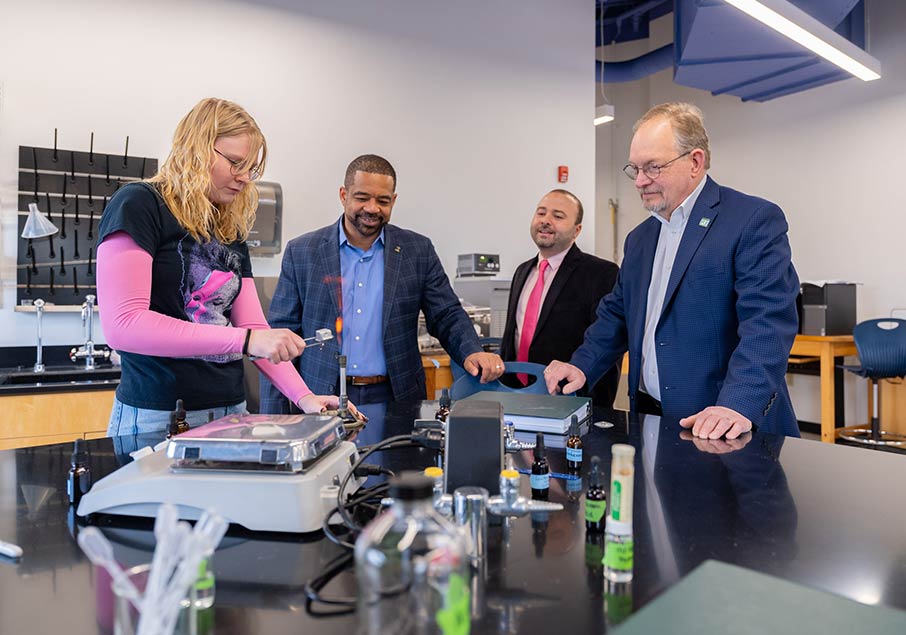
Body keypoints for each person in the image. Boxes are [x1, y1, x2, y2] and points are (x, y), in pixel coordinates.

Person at [97, 98, 356, 436]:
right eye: (235, 163)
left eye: (251, 169)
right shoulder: (140, 204)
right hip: (158, 417)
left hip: (231, 413)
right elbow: (124, 325)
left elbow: (252, 326)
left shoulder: (227, 227)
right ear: (197, 148)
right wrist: (246, 340)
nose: (245, 178)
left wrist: (305, 397)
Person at [544, 102, 800, 439]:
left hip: (724, 426)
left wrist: (737, 404)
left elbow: (767, 323)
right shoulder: (640, 239)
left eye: (652, 167)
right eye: (634, 169)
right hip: (652, 419)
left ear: (695, 162)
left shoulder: (751, 220)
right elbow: (617, 315)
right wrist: (581, 365)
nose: (639, 181)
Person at [260, 154, 505, 411]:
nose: (372, 208)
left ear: (394, 201)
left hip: (396, 396)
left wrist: (472, 351)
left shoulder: (417, 251)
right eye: (362, 197)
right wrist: (272, 418)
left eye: (383, 200)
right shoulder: (303, 251)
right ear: (344, 195)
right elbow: (280, 335)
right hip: (320, 397)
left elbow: (446, 314)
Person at [499, 189, 620, 406]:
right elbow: (513, 338)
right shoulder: (522, 271)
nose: (546, 221)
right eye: (541, 213)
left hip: (570, 398)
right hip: (519, 395)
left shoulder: (601, 274)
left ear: (577, 230)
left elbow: (606, 338)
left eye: (558, 216)